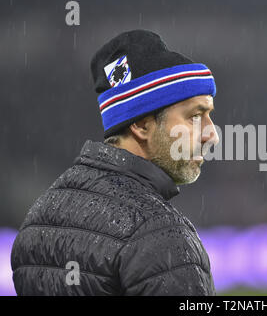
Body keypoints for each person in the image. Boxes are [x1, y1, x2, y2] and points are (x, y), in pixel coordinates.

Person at [11, 30, 219, 295]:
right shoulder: (158, 235)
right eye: (195, 117)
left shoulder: (37, 221)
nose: (212, 134)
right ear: (142, 125)